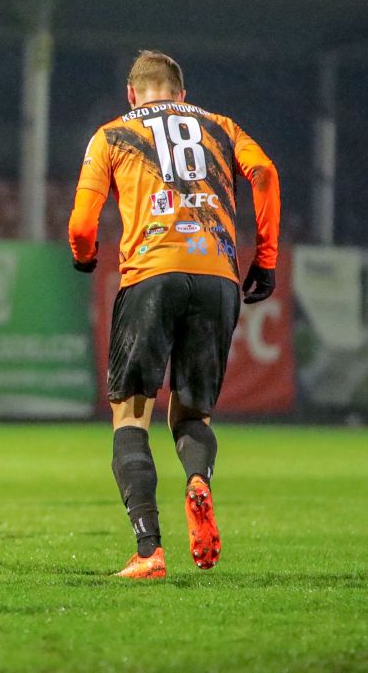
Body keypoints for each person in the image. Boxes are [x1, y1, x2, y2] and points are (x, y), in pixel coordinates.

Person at [68, 50, 280, 579]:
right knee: (191, 414)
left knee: (130, 415)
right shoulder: (221, 126)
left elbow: (82, 221)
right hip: (217, 274)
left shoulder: (113, 133)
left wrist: (84, 254)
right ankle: (198, 480)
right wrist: (266, 258)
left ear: (132, 93)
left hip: (152, 273)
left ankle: (149, 551)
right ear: (182, 95)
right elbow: (264, 171)